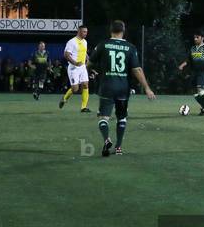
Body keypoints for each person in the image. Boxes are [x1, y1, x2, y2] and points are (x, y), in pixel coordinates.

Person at [87, 20, 155, 156]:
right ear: (123, 31)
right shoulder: (130, 47)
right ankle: (118, 147)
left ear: (110, 30)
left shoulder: (103, 45)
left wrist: (89, 70)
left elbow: (89, 63)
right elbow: (137, 70)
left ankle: (107, 139)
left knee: (103, 117)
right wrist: (147, 88)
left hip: (107, 86)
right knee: (121, 118)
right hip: (123, 88)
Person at [177, 30, 204, 116]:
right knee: (194, 92)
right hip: (194, 72)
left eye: (197, 37)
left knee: (200, 89)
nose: (195, 39)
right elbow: (188, 60)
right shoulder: (192, 48)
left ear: (202, 38)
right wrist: (182, 65)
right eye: (194, 37)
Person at [59, 25, 91, 112]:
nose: (86, 33)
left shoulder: (85, 42)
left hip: (82, 67)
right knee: (75, 89)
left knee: (85, 84)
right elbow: (66, 54)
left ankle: (83, 107)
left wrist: (87, 58)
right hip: (73, 68)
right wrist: (75, 63)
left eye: (86, 32)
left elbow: (84, 52)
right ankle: (64, 99)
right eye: (84, 32)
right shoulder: (72, 42)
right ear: (79, 31)